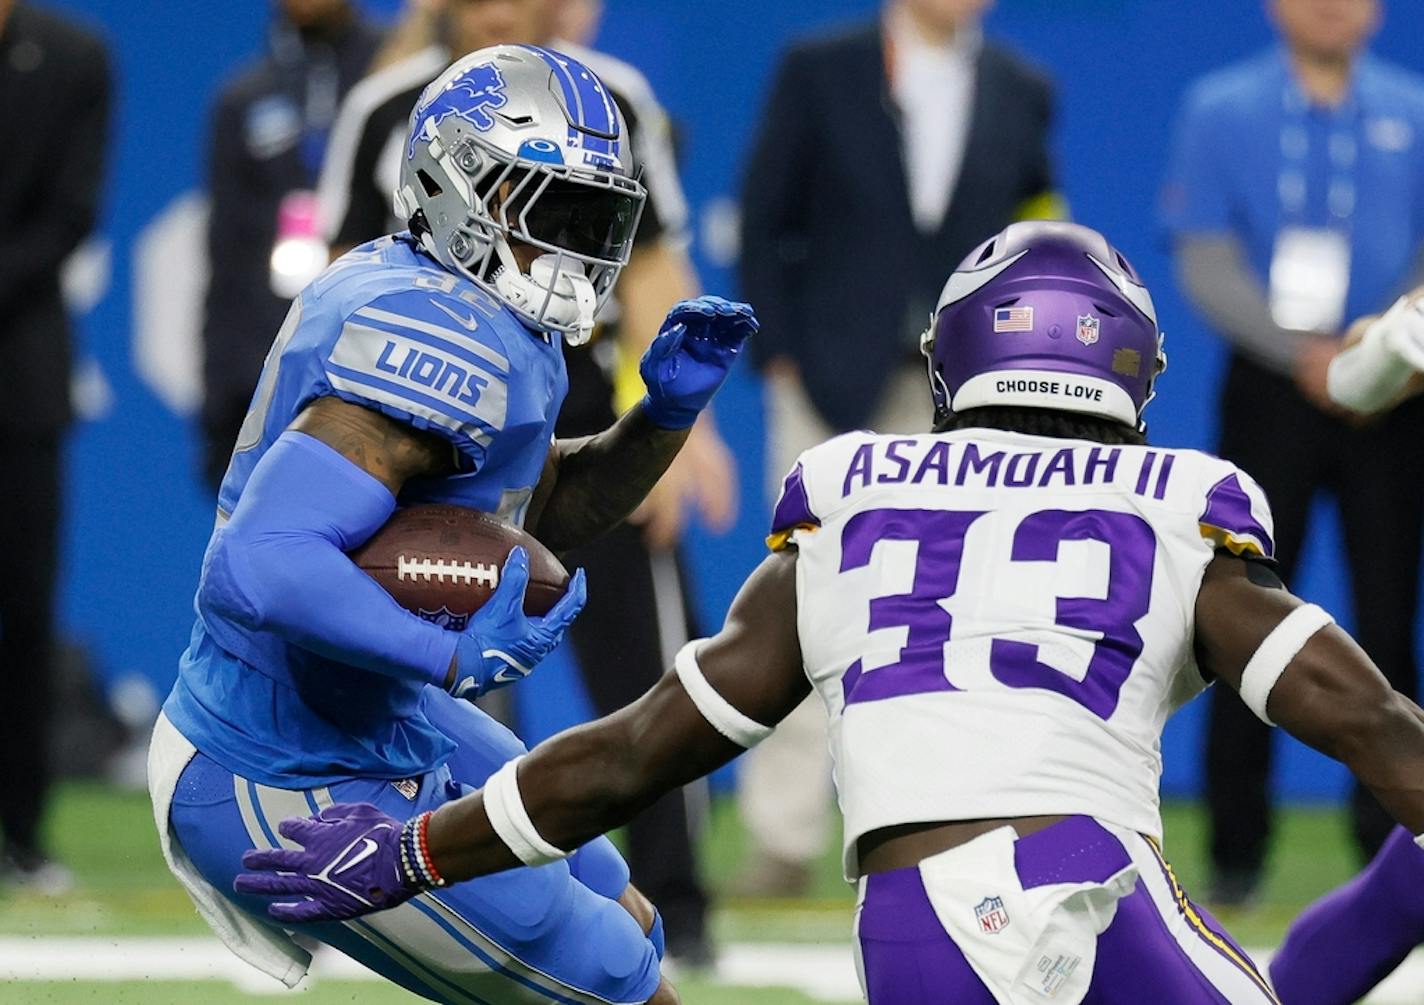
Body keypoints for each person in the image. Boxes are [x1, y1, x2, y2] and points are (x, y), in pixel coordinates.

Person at [238, 221, 1424, 1004]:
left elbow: (641, 750)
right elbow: (1367, 727)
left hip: (932, 918)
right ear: (1127, 369)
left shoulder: (856, 493)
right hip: (1065, 880)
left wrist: (413, 849)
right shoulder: (1180, 508)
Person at [147, 46, 754, 1005]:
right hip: (276, 757)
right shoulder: (428, 331)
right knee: (606, 975)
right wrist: (448, 657)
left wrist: (659, 420)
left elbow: (530, 508)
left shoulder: (482, 313)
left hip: (377, 716)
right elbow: (257, 563)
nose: (573, 244)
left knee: (620, 903)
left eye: (589, 215)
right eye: (547, 210)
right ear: (457, 185)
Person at [318, 0, 726, 959]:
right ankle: (377, 878)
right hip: (428, 440)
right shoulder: (386, 107)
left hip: (578, 417)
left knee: (650, 674)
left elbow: (651, 260)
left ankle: (680, 899)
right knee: (406, 685)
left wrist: (660, 424)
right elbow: (341, 267)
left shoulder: (608, 97)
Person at [735, 0, 1063, 893]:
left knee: (962, 608)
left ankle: (943, 831)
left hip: (965, 392)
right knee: (803, 598)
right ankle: (782, 838)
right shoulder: (820, 66)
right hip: (828, 384)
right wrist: (782, 360)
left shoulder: (1022, 88)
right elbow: (764, 215)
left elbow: (1036, 234)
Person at [1161, 0, 1424, 903]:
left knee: (1389, 619)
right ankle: (1237, 851)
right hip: (1270, 391)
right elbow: (1203, 254)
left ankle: (1396, 850)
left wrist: (1381, 343)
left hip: (1392, 389)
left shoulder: (1414, 107)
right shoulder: (1220, 107)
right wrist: (1299, 350)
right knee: (1243, 608)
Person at [0, 0, 112, 890]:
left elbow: (69, 213)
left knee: (20, 608)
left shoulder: (76, 60)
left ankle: (19, 831)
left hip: (18, 378)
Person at [199, 0, 382, 490]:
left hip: (375, 367)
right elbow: (225, 255)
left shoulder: (393, 82)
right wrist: (221, 392)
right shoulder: (244, 98)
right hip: (268, 363)